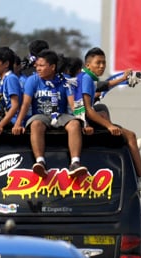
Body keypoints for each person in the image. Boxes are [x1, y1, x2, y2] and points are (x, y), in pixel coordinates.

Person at [80, 47, 141, 191]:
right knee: (130, 135)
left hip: (83, 118)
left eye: (104, 63)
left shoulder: (86, 78)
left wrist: (122, 79)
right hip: (83, 120)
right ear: (88, 65)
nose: (102, 66)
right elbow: (87, 109)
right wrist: (108, 126)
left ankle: (129, 149)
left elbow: (102, 86)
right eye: (98, 63)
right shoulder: (86, 78)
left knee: (103, 109)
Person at [12, 49, 87, 178]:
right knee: (36, 125)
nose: (38, 68)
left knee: (74, 124)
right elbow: (25, 104)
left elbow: (73, 104)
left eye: (41, 66)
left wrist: (85, 122)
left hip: (60, 115)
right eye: (37, 65)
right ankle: (40, 161)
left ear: (52, 67)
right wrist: (18, 123)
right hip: (41, 116)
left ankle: (75, 163)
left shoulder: (65, 81)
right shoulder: (32, 80)